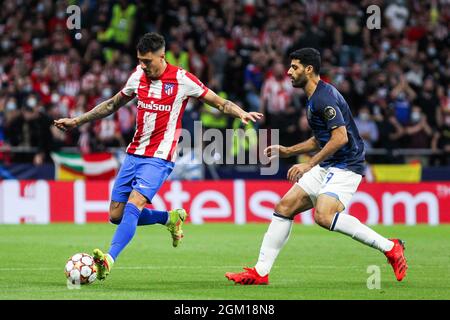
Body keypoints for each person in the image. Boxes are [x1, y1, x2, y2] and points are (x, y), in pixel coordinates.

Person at [54, 32, 262, 281]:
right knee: (115, 215)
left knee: (134, 204)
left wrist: (240, 113)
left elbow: (218, 103)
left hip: (159, 157)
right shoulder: (137, 76)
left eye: (147, 61)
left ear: (162, 56)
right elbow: (111, 105)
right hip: (133, 154)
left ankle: (108, 260)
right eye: (140, 60)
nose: (143, 65)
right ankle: (169, 218)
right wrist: (77, 120)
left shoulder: (182, 79)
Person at [225, 48, 408, 285]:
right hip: (330, 164)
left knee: (323, 215)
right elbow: (320, 138)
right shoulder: (314, 97)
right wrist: (289, 151)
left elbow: (340, 137)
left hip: (346, 165)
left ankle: (390, 247)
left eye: (294, 67)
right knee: (284, 207)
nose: (289, 72)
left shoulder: (324, 98)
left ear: (309, 69)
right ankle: (260, 272)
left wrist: (309, 164)